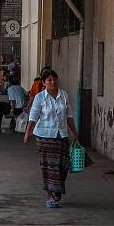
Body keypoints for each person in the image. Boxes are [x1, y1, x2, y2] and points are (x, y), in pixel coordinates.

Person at [24, 69, 78, 209]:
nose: (53, 82)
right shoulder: (40, 97)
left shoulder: (64, 95)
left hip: (61, 136)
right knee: (48, 168)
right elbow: (33, 117)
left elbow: (69, 115)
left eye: (54, 79)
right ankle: (50, 195)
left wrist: (75, 132)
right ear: (43, 83)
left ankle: (56, 191)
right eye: (49, 80)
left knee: (63, 166)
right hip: (44, 137)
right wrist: (27, 133)